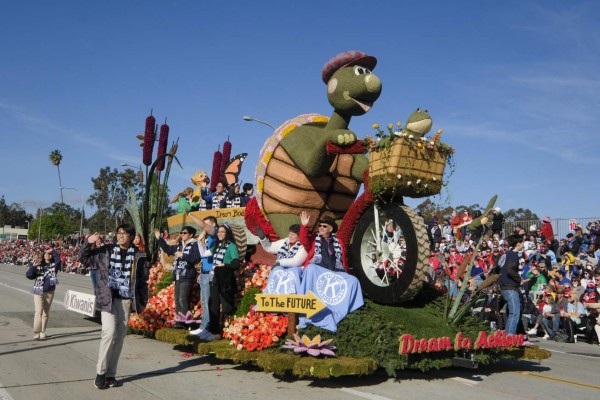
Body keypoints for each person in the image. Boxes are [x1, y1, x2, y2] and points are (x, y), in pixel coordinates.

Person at [79, 224, 149, 390]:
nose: (120, 236)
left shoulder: (139, 256)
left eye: (124, 233)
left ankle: (111, 374)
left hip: (125, 300)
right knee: (108, 334)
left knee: (119, 339)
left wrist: (142, 302)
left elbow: (142, 281)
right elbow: (83, 259)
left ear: (132, 236)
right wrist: (88, 242)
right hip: (108, 299)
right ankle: (100, 374)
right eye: (119, 233)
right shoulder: (106, 251)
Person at [197, 223, 240, 340]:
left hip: (225, 279)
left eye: (222, 232)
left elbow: (236, 263)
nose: (220, 234)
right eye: (219, 232)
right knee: (213, 304)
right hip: (215, 278)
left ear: (227, 233)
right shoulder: (217, 245)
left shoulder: (231, 246)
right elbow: (204, 254)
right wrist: (200, 242)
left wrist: (225, 264)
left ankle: (229, 330)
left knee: (226, 305)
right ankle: (213, 331)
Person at [155, 226, 200, 325]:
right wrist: (159, 238)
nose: (182, 234)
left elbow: (195, 259)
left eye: (184, 233)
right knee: (177, 299)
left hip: (187, 275)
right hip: (177, 274)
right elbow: (168, 249)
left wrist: (183, 255)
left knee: (183, 298)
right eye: (181, 232)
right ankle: (180, 322)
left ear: (191, 235)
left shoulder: (195, 245)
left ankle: (186, 322)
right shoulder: (179, 245)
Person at [188, 215, 218, 336]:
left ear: (213, 225)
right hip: (205, 272)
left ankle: (206, 327)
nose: (203, 227)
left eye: (205, 224)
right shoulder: (206, 237)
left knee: (208, 302)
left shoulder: (214, 234)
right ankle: (204, 327)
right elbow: (203, 257)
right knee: (205, 301)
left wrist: (190, 214)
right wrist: (201, 272)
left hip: (211, 273)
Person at [258, 224, 307, 294]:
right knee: (277, 270)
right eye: (290, 233)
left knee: (293, 271)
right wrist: (263, 239)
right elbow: (270, 247)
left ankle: (292, 294)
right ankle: (271, 294)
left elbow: (297, 261)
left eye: (293, 234)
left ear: (299, 236)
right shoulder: (285, 241)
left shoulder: (302, 246)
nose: (290, 236)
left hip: (294, 270)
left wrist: (280, 263)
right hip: (281, 267)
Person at [26, 248, 59, 340]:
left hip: (49, 291)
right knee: (38, 312)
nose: (48, 255)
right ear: (43, 255)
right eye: (46, 253)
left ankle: (43, 331)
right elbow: (29, 276)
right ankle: (37, 332)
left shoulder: (54, 265)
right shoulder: (39, 265)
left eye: (50, 254)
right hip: (38, 290)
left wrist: (52, 251)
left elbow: (58, 259)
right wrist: (33, 267)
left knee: (45, 313)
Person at [498, 233, 526, 335]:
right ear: (518, 243)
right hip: (510, 288)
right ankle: (509, 338)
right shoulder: (513, 255)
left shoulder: (505, 254)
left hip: (503, 287)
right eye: (522, 242)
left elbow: (497, 269)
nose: (523, 244)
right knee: (514, 313)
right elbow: (510, 270)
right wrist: (519, 280)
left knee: (511, 312)